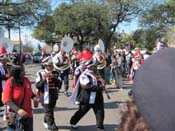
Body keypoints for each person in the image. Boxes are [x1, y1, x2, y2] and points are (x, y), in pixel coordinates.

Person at [70, 58, 105, 131]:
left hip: (97, 97)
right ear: (89, 66)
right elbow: (86, 86)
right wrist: (100, 88)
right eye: (93, 66)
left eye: (95, 66)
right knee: (82, 111)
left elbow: (100, 82)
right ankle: (73, 122)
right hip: (87, 97)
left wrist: (102, 82)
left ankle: (100, 127)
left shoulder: (96, 74)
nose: (95, 67)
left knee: (100, 112)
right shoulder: (84, 75)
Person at [3, 64, 34, 131]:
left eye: (24, 70)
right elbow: (7, 100)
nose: (24, 72)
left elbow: (30, 93)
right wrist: (18, 110)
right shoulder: (10, 82)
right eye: (22, 71)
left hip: (28, 114)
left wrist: (34, 97)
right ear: (16, 72)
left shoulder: (26, 80)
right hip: (15, 115)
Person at [35, 56, 61, 131]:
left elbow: (59, 84)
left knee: (49, 110)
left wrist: (53, 77)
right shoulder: (40, 73)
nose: (52, 66)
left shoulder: (56, 72)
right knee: (49, 112)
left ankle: (45, 121)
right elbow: (38, 85)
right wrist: (43, 80)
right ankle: (52, 126)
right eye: (49, 65)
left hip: (53, 95)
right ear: (45, 66)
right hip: (44, 95)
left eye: (52, 64)